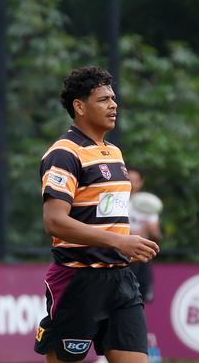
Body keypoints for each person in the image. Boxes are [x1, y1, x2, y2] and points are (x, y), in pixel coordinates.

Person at [34, 66, 160, 363]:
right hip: (78, 279)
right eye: (103, 99)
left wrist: (122, 244)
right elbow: (54, 221)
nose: (113, 105)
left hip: (120, 280)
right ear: (79, 106)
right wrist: (119, 241)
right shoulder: (64, 153)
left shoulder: (113, 152)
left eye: (113, 98)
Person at [128, 167, 163, 303]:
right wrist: (131, 234)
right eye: (129, 180)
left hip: (143, 257)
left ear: (141, 183)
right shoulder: (117, 203)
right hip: (123, 257)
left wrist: (154, 233)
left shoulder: (148, 206)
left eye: (135, 181)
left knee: (141, 297)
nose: (132, 185)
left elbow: (156, 238)